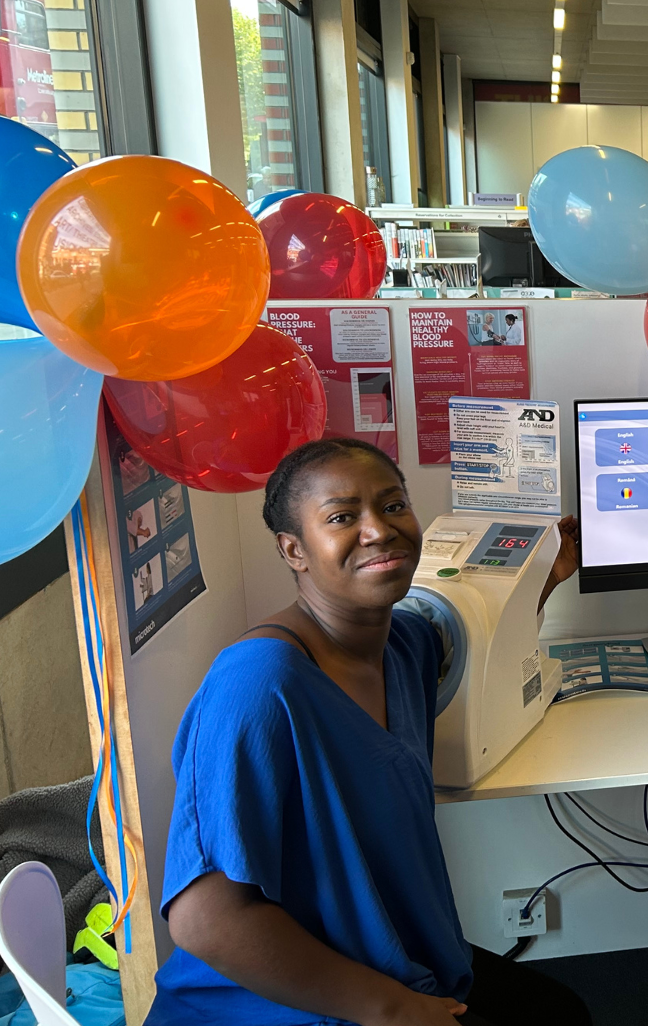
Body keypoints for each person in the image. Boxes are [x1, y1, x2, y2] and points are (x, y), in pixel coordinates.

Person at [144, 438, 591, 1026]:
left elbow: (475, 636)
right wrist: (392, 1008)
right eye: (341, 517)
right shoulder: (258, 683)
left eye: (393, 505)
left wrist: (548, 577)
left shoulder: (404, 645)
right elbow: (206, 920)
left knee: (561, 1013)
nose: (379, 530)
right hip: (286, 1002)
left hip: (394, 963)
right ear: (294, 549)